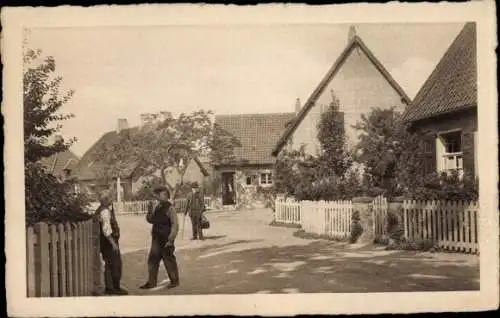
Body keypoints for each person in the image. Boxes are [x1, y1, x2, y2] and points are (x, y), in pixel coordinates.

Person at [140, 185, 180, 290]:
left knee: (169, 261)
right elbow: (151, 220)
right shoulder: (158, 207)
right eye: (157, 195)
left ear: (166, 196)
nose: (158, 196)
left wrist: (171, 240)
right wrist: (149, 210)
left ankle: (174, 281)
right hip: (156, 238)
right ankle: (151, 283)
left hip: (166, 239)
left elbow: (175, 225)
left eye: (161, 194)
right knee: (152, 260)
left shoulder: (170, 208)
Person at [95, 191, 128, 295]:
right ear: (105, 200)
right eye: (110, 198)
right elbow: (106, 230)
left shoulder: (103, 209)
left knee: (110, 265)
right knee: (115, 265)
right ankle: (114, 288)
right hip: (109, 242)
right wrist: (113, 244)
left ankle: (111, 287)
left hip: (107, 243)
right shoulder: (104, 211)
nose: (112, 199)